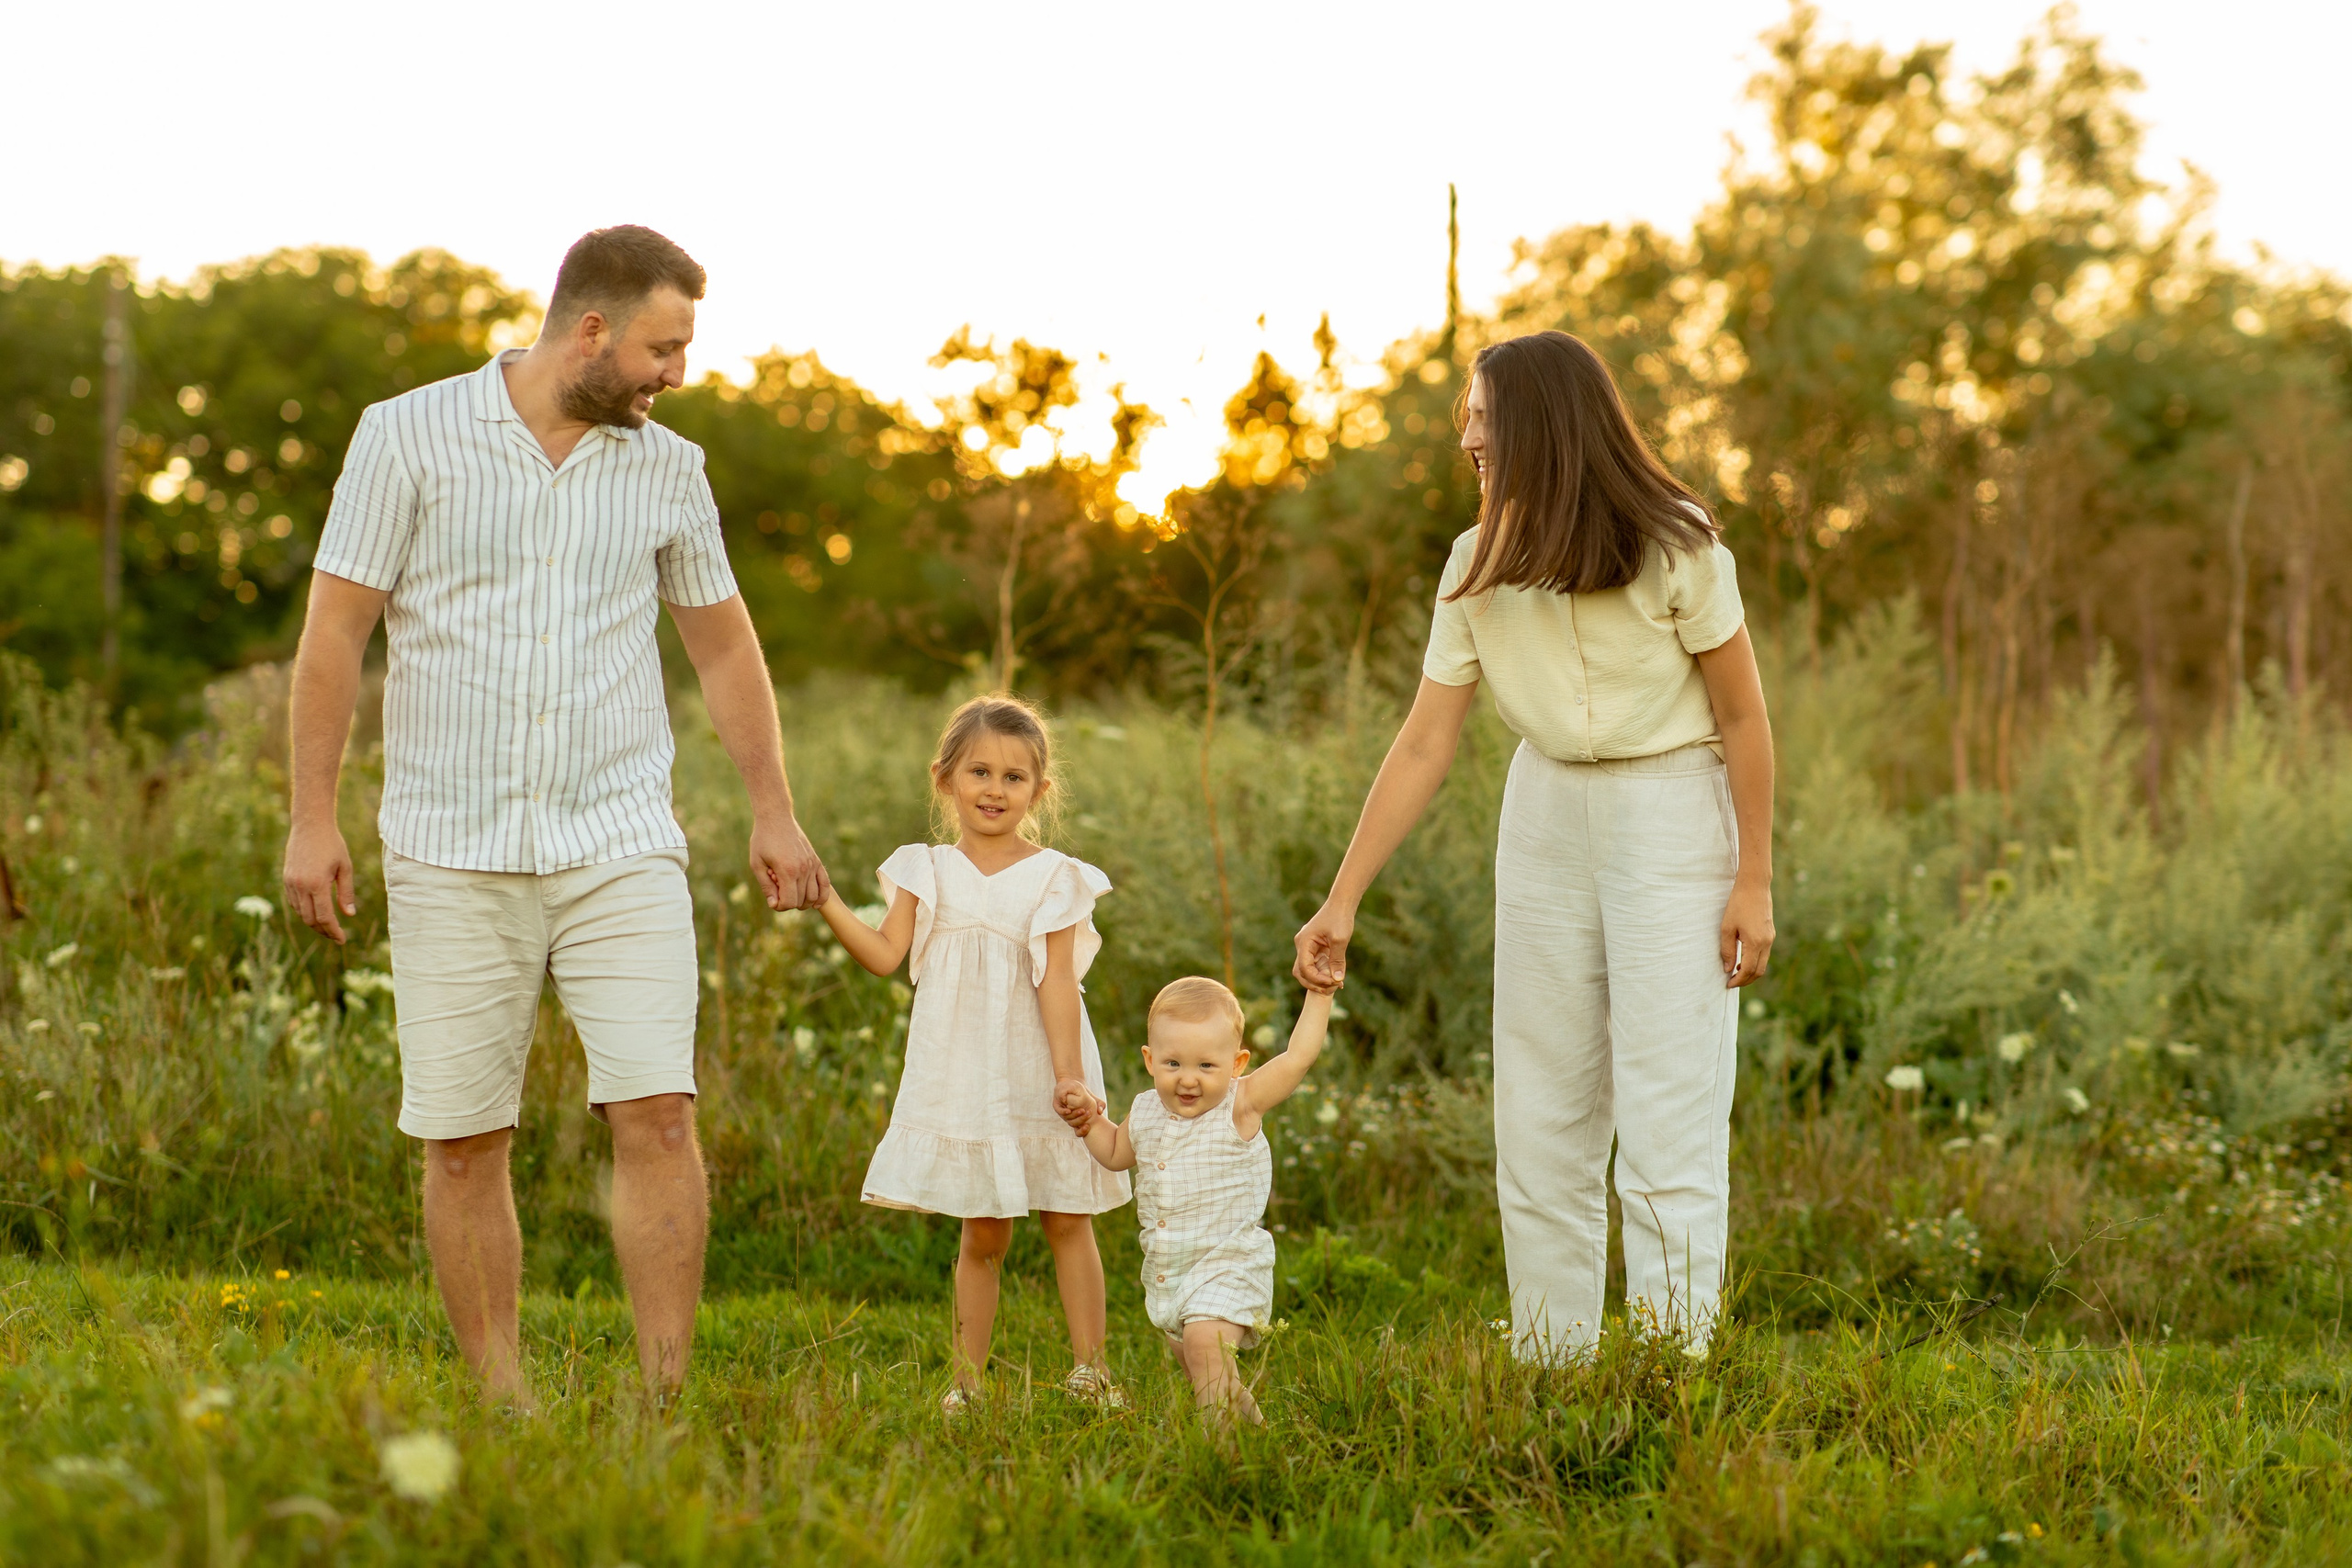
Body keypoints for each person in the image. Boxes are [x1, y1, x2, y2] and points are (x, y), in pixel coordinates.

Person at [280, 225, 831, 1407]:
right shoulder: (405, 435)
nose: (674, 373)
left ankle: (665, 1397)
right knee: (464, 1139)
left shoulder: (669, 470)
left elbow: (723, 649)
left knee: (661, 1116)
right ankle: (505, 1401)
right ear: (591, 330)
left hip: (618, 840)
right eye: (662, 349)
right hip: (448, 846)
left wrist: (774, 811)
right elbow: (335, 634)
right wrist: (310, 819)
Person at [1291, 330, 1776, 1363]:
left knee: (1670, 1110)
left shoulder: (1679, 546)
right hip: (1546, 816)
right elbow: (1425, 742)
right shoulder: (1473, 564)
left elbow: (1743, 717)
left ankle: (1672, 1368)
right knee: (1541, 1105)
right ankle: (1553, 1361)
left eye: (1481, 416)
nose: (1466, 437)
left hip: (1672, 816)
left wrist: (1754, 879)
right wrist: (1342, 899)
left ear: (1541, 426)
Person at [813, 694, 1131, 1415]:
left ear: (1038, 791)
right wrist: (824, 897)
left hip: (1043, 1067)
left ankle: (1092, 1371)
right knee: (983, 1228)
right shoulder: (925, 870)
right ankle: (967, 1382)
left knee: (1067, 1217)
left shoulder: (1055, 876)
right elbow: (884, 954)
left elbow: (1057, 980)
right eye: (980, 771)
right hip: (969, 1074)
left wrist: (1071, 1077)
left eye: (1014, 777)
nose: (995, 788)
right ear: (945, 778)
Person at [1062, 976, 1332, 1426]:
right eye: (1173, 1063)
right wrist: (1088, 1120)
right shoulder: (1146, 1111)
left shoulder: (1241, 1104)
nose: (1188, 1079)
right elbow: (1113, 1153)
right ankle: (1257, 1433)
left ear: (1237, 1064)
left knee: (1206, 1350)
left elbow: (1298, 1057)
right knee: (1206, 1371)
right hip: (1171, 1275)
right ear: (1150, 1060)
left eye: (1207, 1065)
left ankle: (1216, 1455)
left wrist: (1320, 995)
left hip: (1227, 1264)